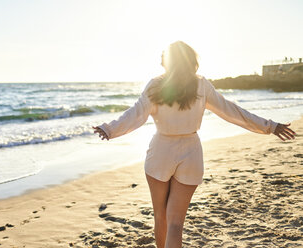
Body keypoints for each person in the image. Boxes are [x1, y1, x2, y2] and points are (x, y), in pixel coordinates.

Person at [92, 40, 296, 248]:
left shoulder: (155, 85)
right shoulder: (201, 85)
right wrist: (269, 126)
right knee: (176, 224)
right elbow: (231, 111)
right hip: (191, 153)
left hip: (160, 152)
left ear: (167, 61)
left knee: (160, 217)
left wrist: (110, 129)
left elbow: (136, 114)